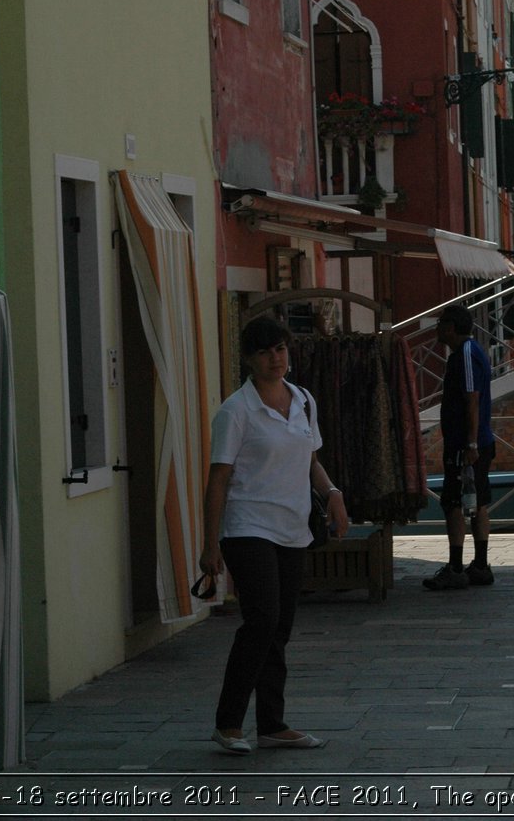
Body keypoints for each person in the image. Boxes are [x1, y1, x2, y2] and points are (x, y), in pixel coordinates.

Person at [200, 315, 349, 754]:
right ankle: (228, 722)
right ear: (249, 359)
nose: (275, 358)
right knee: (262, 619)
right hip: (247, 528)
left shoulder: (303, 400)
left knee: (280, 627)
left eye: (280, 349)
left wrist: (333, 494)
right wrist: (210, 544)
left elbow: (311, 459)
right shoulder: (236, 411)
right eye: (265, 352)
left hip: (293, 527)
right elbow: (218, 480)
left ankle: (272, 723)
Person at [423, 304, 495, 591]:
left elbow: (471, 399)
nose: (437, 329)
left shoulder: (465, 354)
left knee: (453, 503)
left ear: (451, 327)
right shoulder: (470, 352)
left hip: (466, 445)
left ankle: (455, 568)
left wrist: (470, 443)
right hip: (477, 441)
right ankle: (480, 565)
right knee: (477, 502)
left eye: (440, 324)